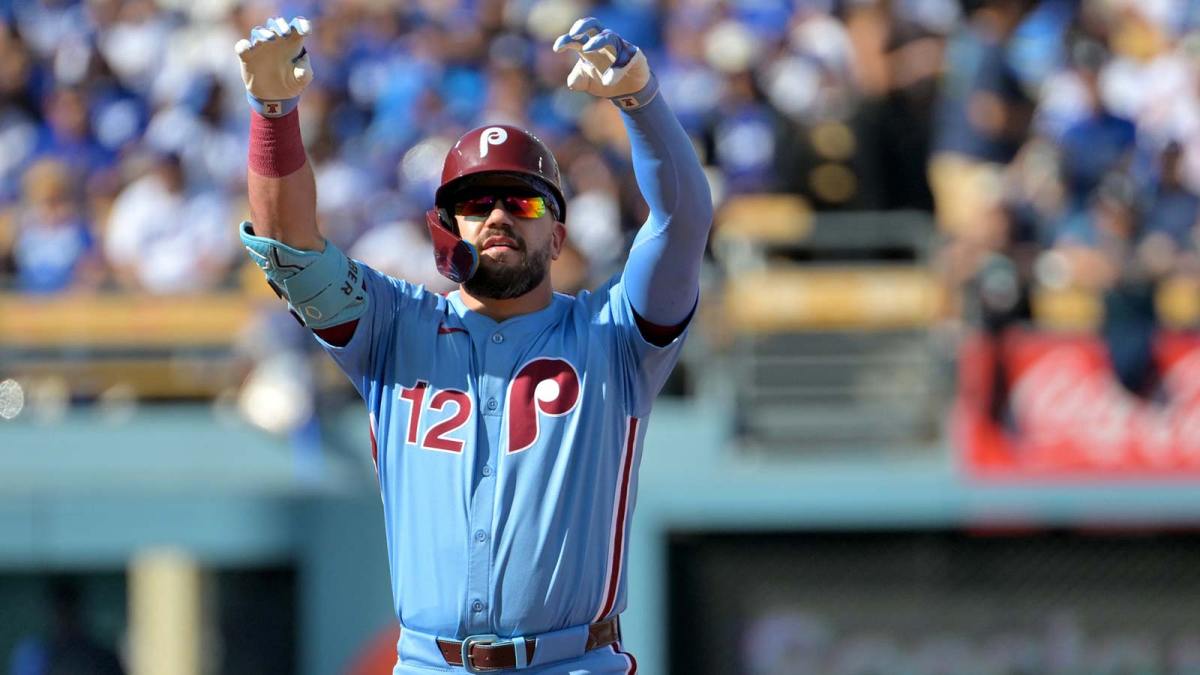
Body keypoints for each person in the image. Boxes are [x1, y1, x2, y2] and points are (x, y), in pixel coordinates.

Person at [235, 15, 712, 674]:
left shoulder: (615, 336)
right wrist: (273, 112)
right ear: (445, 229)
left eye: (526, 202)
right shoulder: (391, 326)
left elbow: (682, 221)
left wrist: (640, 100)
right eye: (476, 201)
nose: (498, 215)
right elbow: (288, 247)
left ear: (559, 236)